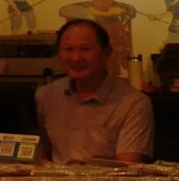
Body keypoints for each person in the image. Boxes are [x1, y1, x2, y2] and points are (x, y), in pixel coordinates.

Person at [34, 18, 153, 163]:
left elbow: (127, 170)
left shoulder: (133, 103)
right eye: (68, 49)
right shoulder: (46, 96)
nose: (76, 58)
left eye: (85, 49)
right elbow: (39, 156)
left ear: (106, 53)